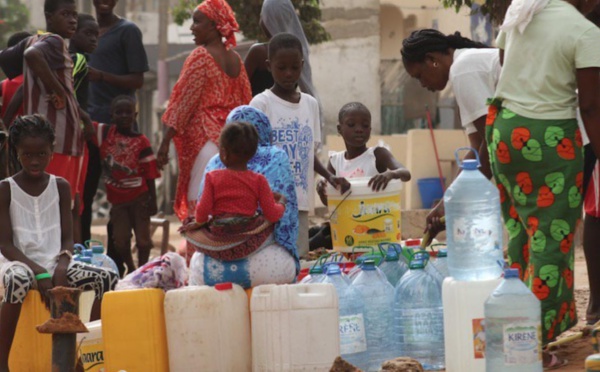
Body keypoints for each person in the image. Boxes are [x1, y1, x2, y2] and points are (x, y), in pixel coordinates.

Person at [487, 0, 600, 366]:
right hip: (549, 138)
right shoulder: (584, 32)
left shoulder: (522, 10)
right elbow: (591, 105)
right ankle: (531, 342)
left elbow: (506, 67)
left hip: (505, 130)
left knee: (522, 232)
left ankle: (510, 325)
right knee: (552, 238)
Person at [0, 115, 118, 371]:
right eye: (27, 154)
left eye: (41, 153)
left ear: (52, 152)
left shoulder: (61, 186)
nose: (34, 160)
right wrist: (40, 272)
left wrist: (62, 263)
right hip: (16, 262)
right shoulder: (5, 189)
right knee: (17, 281)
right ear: (16, 152)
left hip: (55, 260)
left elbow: (68, 238)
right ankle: (2, 362)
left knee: (105, 277)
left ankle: (84, 353)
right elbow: (6, 245)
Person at [0, 0, 94, 244]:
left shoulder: (34, 40)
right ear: (49, 17)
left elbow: (9, 60)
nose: (73, 20)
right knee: (60, 203)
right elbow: (31, 57)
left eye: (75, 15)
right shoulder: (51, 41)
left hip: (59, 135)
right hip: (60, 138)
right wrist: (58, 90)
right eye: (66, 14)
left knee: (57, 202)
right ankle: (60, 256)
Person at [250, 32, 348, 258]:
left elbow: (307, 152)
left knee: (298, 259)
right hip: (269, 201)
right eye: (281, 67)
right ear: (268, 66)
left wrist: (329, 175)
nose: (288, 73)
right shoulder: (261, 104)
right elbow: (252, 154)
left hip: (300, 201)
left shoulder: (310, 105)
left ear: (302, 65)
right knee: (269, 258)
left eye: (294, 67)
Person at [398, 29, 499, 244]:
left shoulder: (463, 69)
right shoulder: (461, 72)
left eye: (419, 76)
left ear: (432, 60)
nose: (422, 84)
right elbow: (477, 152)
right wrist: (449, 201)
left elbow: (492, 143)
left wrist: (455, 203)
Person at [158, 0, 252, 222]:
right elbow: (246, 103)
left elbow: (182, 103)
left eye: (197, 22)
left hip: (205, 143)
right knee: (225, 208)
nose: (192, 28)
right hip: (231, 144)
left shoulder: (200, 57)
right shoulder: (236, 59)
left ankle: (198, 255)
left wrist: (164, 142)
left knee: (199, 210)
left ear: (213, 25)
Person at [190, 105, 299, 288]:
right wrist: (281, 203)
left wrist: (199, 221)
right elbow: (273, 215)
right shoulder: (259, 180)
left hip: (217, 248)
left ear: (223, 152)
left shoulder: (212, 175)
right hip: (257, 255)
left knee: (195, 259)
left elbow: (202, 210)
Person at [312, 102, 411, 250]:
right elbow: (331, 203)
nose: (359, 130)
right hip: (349, 234)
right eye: (351, 125)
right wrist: (321, 190)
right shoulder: (335, 161)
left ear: (370, 130)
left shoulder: (377, 155)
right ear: (340, 129)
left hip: (376, 232)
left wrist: (390, 174)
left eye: (365, 126)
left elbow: (406, 173)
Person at [93, 95, 159, 273]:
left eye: (128, 112)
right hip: (118, 203)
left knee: (143, 240)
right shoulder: (105, 134)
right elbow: (82, 120)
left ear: (135, 115)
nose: (123, 116)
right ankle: (131, 268)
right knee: (120, 240)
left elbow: (150, 173)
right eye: (119, 112)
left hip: (140, 198)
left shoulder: (142, 141)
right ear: (112, 115)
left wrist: (153, 200)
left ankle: (143, 270)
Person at [244, 0, 317, 98]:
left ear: (269, 20)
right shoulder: (297, 52)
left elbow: (239, 85)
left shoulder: (258, 52)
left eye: (263, 15)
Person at [69, 14, 99, 112]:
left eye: (96, 35)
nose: (93, 39)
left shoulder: (66, 57)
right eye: (88, 33)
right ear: (73, 33)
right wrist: (85, 119)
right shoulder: (78, 59)